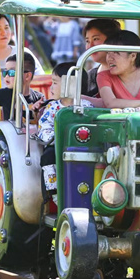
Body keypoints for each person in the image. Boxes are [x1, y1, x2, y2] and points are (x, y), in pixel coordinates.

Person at [37, 62, 94, 201]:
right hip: (57, 146)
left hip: (82, 147)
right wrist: (55, 138)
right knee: (48, 156)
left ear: (71, 84)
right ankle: (54, 190)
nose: (51, 88)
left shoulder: (87, 107)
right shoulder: (52, 108)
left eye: (55, 83)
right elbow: (44, 126)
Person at [83, 18, 122, 98]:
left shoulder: (131, 75)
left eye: (96, 39)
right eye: (87, 41)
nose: (90, 46)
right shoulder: (88, 77)